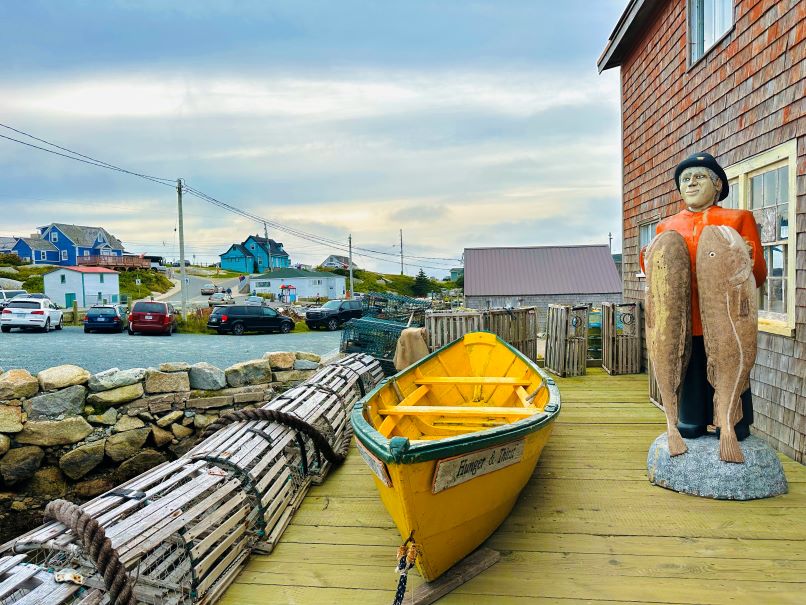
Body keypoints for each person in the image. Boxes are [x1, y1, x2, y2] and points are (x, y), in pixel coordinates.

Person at [641, 152, 766, 441]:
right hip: (685, 318)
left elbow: (756, 273)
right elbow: (657, 275)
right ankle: (690, 418)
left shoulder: (738, 219)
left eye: (699, 177)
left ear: (718, 184)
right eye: (685, 179)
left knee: (731, 362)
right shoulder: (667, 227)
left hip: (728, 317)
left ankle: (734, 420)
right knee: (691, 366)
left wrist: (747, 259)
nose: (691, 183)